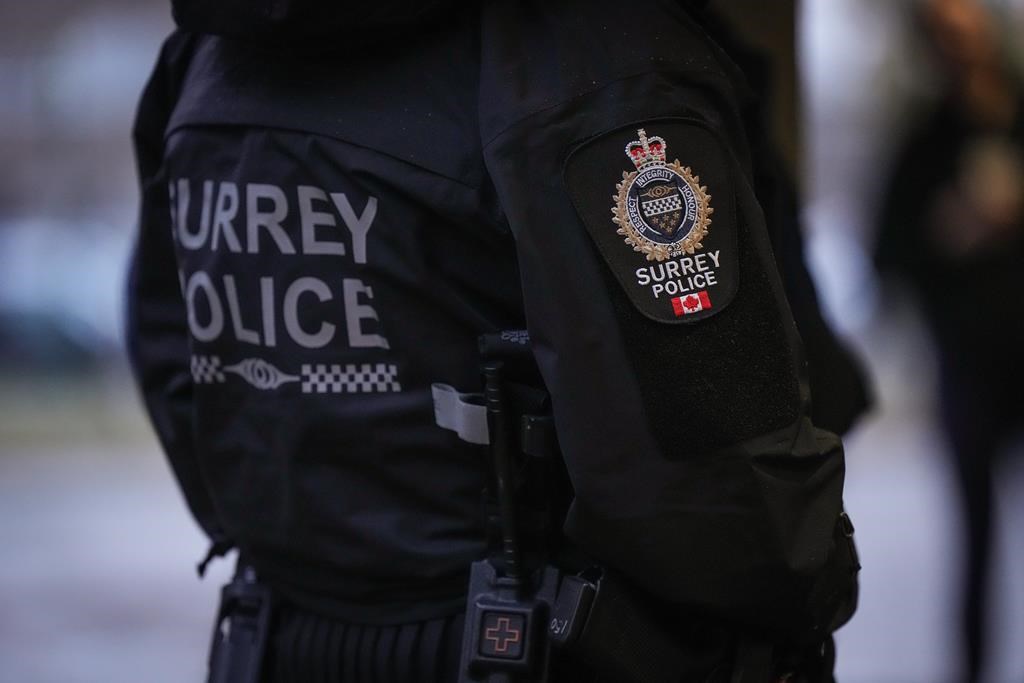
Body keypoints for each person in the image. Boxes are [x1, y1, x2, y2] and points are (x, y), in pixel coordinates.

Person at [127, 1, 867, 680]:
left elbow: (175, 358)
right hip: (532, 640)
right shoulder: (590, 54)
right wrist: (815, 581)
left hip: (283, 637)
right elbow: (711, 478)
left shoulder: (203, 60)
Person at [874, 1, 1024, 679]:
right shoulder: (925, 141)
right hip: (969, 364)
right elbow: (887, 254)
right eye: (945, 35)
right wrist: (954, 228)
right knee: (976, 537)